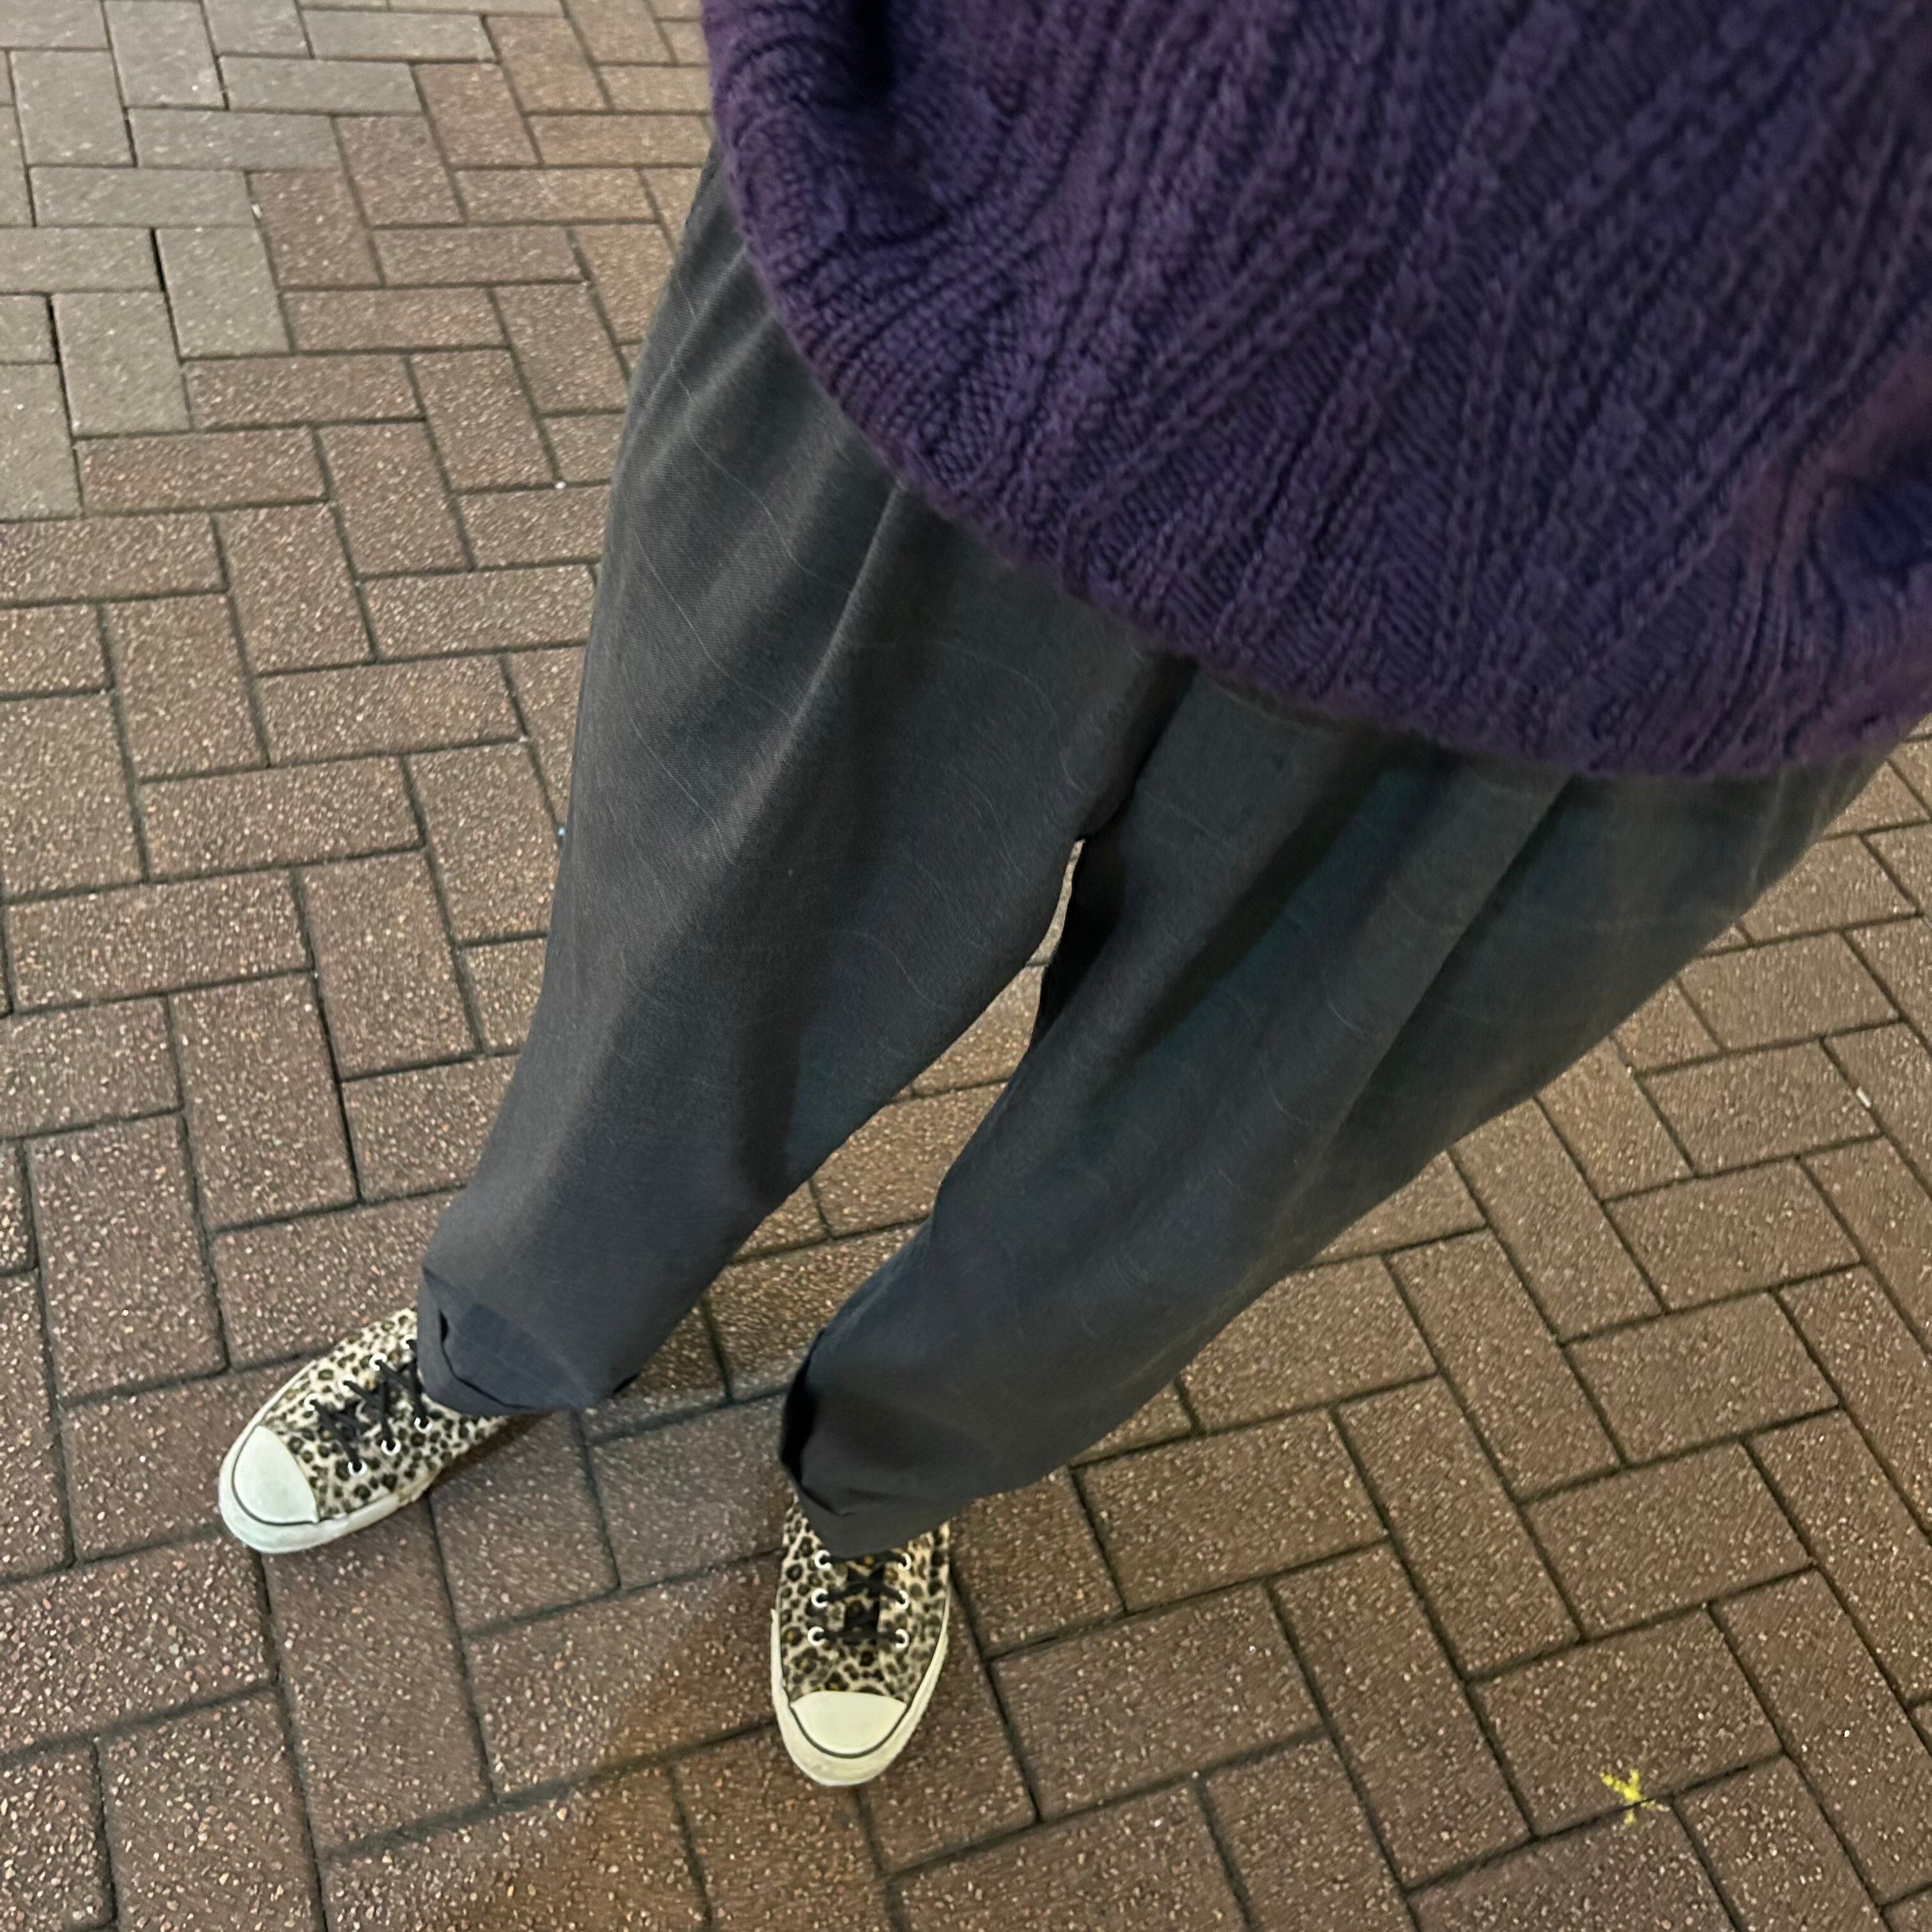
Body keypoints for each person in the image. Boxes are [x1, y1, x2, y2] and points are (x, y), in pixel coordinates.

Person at [218, 3, 1932, 1787]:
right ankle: (503, 1332)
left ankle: (887, 1485)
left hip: (1684, 578)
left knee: (1178, 1183)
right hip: (1001, 238)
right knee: (692, 950)